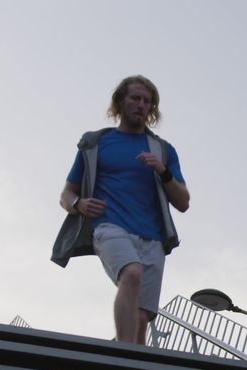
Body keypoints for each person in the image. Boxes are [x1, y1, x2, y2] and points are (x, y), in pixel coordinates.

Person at [54, 75, 190, 345]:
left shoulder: (163, 150)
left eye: (147, 101)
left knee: (140, 319)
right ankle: (122, 360)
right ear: (119, 102)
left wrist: (162, 171)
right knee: (132, 273)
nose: (142, 105)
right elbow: (66, 193)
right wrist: (78, 204)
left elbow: (183, 202)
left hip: (152, 236)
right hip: (108, 225)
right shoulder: (95, 144)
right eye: (135, 98)